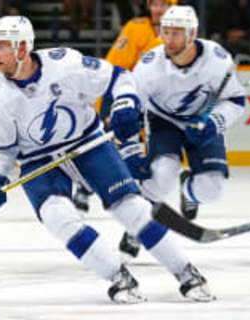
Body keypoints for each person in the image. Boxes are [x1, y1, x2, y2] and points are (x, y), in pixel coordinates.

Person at [0, 15, 215, 303]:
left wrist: (126, 102)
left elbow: (119, 77)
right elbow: (0, 150)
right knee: (57, 216)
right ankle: (118, 276)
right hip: (37, 160)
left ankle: (186, 272)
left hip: (87, 142)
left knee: (132, 208)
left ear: (22, 48)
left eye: (2, 46)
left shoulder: (64, 64)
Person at [122, 6, 246, 255]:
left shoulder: (217, 60)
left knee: (211, 190)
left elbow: (236, 101)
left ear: (192, 34)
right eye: (165, 32)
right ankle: (137, 226)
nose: (168, 39)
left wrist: (214, 123)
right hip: (163, 120)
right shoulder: (150, 66)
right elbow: (131, 108)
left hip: (203, 121)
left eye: (176, 33)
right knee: (161, 175)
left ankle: (188, 189)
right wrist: (131, 148)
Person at [72, 0, 177, 260]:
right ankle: (85, 187)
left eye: (164, 4)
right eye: (154, 3)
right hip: (131, 109)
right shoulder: (136, 28)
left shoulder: (184, 35)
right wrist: (110, 107)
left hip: (162, 116)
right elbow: (114, 70)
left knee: (156, 175)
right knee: (121, 166)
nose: (158, 9)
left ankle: (135, 232)